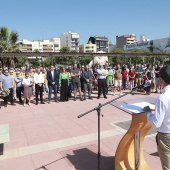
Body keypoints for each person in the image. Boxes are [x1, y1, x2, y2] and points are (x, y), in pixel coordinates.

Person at [144, 65, 170, 170]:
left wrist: (149, 113)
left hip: (166, 136)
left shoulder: (163, 98)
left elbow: (156, 123)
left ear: (161, 79)